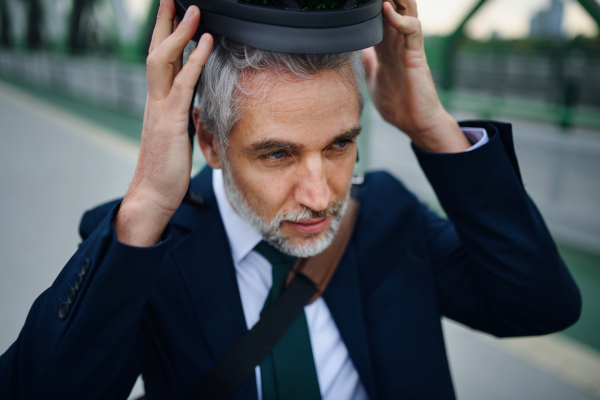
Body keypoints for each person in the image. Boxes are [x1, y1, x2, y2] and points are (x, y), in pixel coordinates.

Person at [0, 0, 581, 398]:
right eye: (277, 154)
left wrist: (432, 128)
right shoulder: (149, 254)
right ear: (209, 140)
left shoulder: (387, 216)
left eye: (340, 145)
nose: (321, 193)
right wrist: (150, 199)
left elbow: (541, 306)